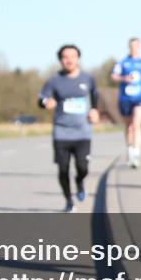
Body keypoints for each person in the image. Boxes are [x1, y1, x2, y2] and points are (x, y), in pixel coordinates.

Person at [38, 44, 100, 212]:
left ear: (78, 58)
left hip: (83, 132)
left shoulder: (88, 79)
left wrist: (95, 111)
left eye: (72, 56)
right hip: (61, 132)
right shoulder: (54, 81)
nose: (69, 60)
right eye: (65, 57)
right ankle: (68, 201)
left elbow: (95, 96)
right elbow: (42, 98)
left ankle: (80, 182)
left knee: (83, 167)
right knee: (63, 169)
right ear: (60, 60)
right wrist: (46, 103)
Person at [111, 37, 141, 168]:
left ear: (139, 47)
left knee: (137, 125)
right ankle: (130, 150)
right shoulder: (123, 62)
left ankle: (136, 154)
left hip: (139, 97)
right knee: (129, 126)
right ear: (129, 47)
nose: (134, 48)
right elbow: (113, 76)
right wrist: (124, 78)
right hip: (125, 98)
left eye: (136, 46)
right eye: (132, 46)